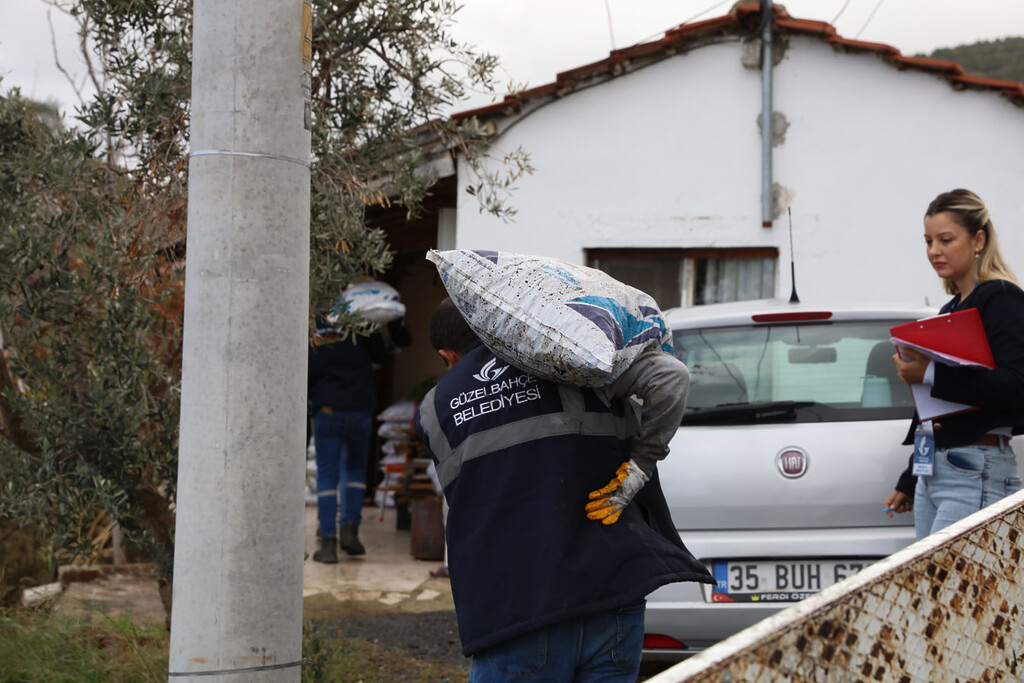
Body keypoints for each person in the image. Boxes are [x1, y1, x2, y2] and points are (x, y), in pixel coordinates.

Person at [414, 298, 712, 681]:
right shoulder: (574, 360)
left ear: (447, 355)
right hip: (612, 595)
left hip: (517, 610)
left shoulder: (432, 410)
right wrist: (642, 463)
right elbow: (671, 378)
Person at [885, 189, 1024, 539]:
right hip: (935, 472)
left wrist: (930, 373)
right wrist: (911, 476)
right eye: (929, 241)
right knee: (937, 591)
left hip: (976, 468)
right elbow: (936, 412)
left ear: (978, 239)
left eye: (946, 239)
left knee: (951, 590)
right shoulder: (949, 312)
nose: (934, 251)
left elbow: (1015, 385)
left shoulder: (1002, 297)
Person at [307, 317, 386, 563]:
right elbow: (379, 356)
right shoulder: (361, 318)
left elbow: (307, 369)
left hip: (328, 409)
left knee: (327, 474)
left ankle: (328, 543)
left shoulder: (317, 326)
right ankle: (351, 532)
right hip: (360, 409)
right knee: (355, 470)